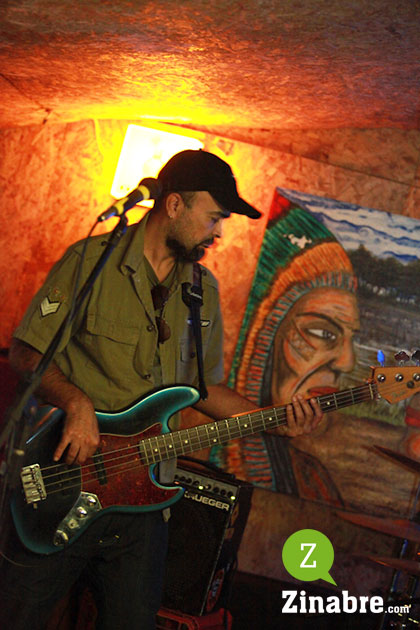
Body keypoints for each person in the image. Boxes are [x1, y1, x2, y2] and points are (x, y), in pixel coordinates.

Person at [0, 150, 323, 630]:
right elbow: (27, 354)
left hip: (143, 500)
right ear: (174, 205)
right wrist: (76, 402)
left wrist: (276, 421)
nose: (219, 232)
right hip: (64, 477)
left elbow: (203, 388)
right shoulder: (90, 262)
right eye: (214, 217)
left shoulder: (202, 291)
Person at [211, 191, 359, 503]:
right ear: (265, 336)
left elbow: (198, 388)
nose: (346, 362)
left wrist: (274, 425)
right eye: (322, 332)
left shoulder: (312, 479)